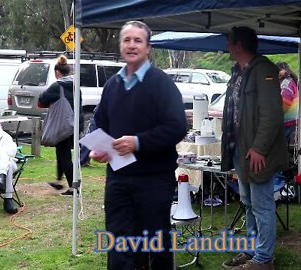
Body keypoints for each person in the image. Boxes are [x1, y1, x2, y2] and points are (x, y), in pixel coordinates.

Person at [89, 21, 186, 270]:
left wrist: (138, 142)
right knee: (119, 243)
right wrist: (97, 146)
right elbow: (99, 121)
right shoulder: (112, 85)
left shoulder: (161, 83)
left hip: (154, 180)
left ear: (148, 48)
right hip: (118, 179)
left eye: (137, 40)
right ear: (120, 45)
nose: (131, 45)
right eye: (127, 40)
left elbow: (177, 127)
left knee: (156, 244)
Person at [220, 26, 289, 270]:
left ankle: (264, 259)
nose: (227, 46)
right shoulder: (239, 72)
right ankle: (252, 251)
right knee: (248, 203)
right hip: (241, 150)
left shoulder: (263, 71)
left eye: (230, 42)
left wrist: (259, 148)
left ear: (239, 45)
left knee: (262, 204)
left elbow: (271, 114)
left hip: (258, 152)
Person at [38, 55, 83, 196]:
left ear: (57, 72)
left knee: (64, 156)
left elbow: (41, 102)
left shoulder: (57, 85)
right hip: (75, 124)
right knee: (61, 152)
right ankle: (58, 181)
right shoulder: (76, 85)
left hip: (63, 126)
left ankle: (73, 188)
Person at [276, 62, 299, 144]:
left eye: (279, 70)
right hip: (291, 119)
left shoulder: (286, 83)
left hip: (286, 120)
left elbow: (285, 103)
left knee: (280, 146)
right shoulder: (291, 81)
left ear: (285, 70)